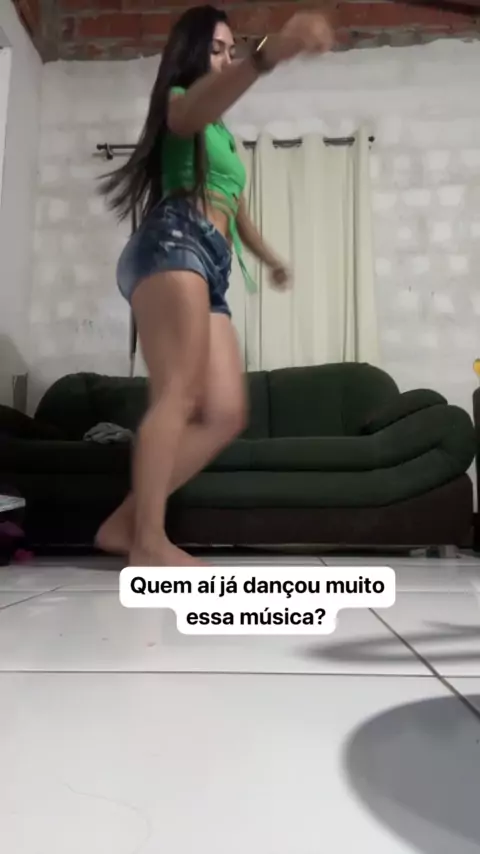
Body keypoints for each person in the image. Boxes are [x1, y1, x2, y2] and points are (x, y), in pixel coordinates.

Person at [96, 4, 334, 567]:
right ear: (190, 52)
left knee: (226, 412)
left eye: (232, 50)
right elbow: (186, 116)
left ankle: (125, 523)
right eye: (217, 49)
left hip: (214, 261)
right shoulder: (182, 102)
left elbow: (236, 210)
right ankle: (148, 542)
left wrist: (272, 260)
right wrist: (267, 56)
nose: (226, 58)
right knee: (179, 394)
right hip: (173, 242)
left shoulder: (221, 132)